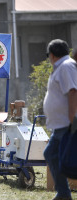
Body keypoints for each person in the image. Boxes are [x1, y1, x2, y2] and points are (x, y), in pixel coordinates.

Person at [43, 39, 77, 200]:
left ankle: (63, 193)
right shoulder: (62, 66)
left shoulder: (66, 66)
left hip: (67, 123)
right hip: (61, 124)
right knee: (51, 154)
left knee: (63, 156)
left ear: (52, 54)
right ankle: (63, 193)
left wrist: (72, 117)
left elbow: (73, 91)